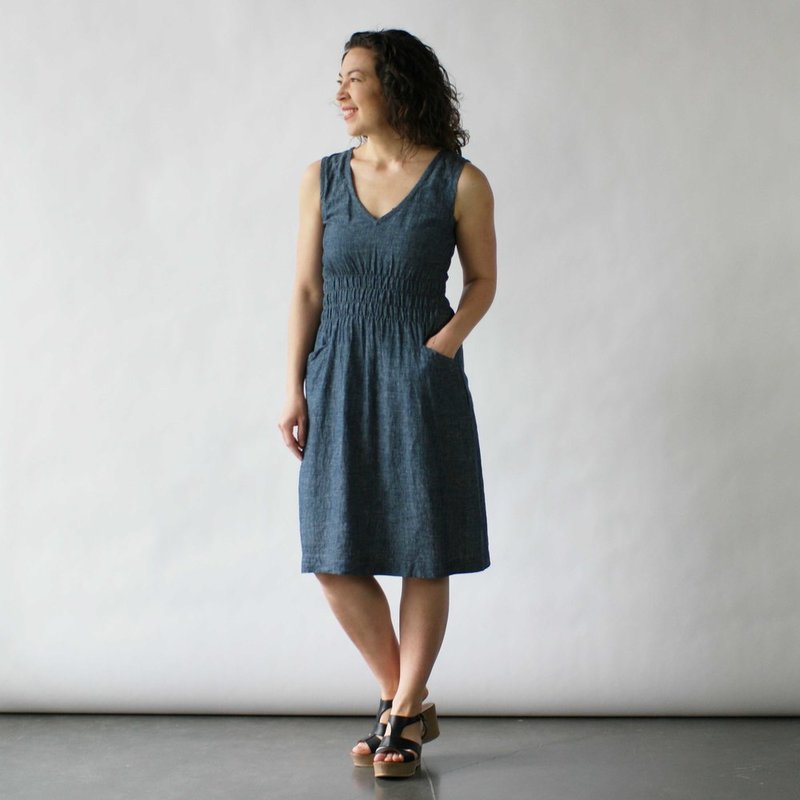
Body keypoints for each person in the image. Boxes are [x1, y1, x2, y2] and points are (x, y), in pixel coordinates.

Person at [277, 28, 497, 779]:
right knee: (332, 549)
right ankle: (405, 695)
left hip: (419, 374)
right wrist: (293, 385)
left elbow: (482, 283)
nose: (340, 92)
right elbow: (307, 289)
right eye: (339, 79)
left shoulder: (460, 182)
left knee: (422, 546)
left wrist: (441, 347)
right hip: (337, 371)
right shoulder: (322, 179)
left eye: (355, 77)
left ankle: (399, 716)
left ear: (395, 85)